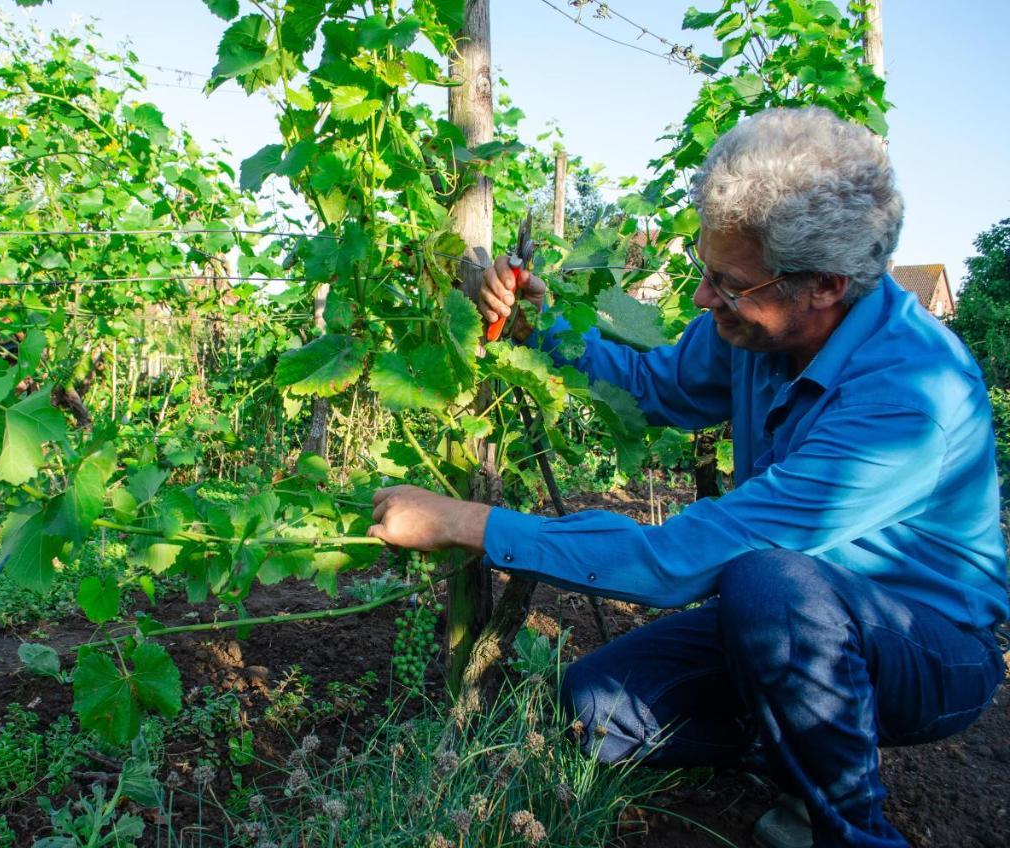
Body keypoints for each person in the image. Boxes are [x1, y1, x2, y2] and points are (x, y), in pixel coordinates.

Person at [366, 107, 1007, 848]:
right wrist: (542, 326)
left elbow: (676, 562)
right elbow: (657, 385)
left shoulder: (908, 398)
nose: (703, 298)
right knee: (590, 711)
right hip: (785, 620)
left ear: (824, 285)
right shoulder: (764, 318)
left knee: (769, 586)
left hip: (922, 648)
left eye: (726, 283)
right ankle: (789, 736)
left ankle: (848, 826)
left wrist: (466, 523)